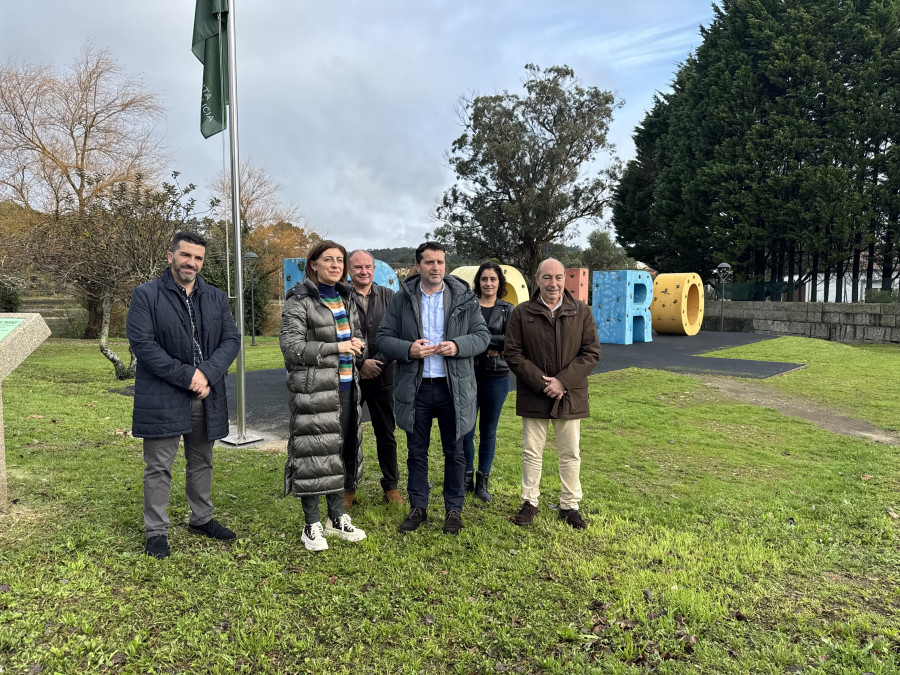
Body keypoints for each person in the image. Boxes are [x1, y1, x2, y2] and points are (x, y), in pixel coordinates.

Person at [127, 231, 241, 559]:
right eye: (186, 255)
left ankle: (201, 518)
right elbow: (144, 345)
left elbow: (231, 340)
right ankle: (156, 531)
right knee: (159, 465)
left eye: (198, 258)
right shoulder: (145, 295)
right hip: (162, 393)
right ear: (171, 256)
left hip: (206, 394)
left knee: (202, 460)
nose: (191, 262)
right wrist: (188, 375)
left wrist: (206, 374)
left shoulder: (217, 298)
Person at [376, 242, 490, 535]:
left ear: (445, 265)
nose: (435, 267)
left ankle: (454, 510)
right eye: (429, 262)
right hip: (417, 388)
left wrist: (458, 345)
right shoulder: (402, 299)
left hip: (455, 388)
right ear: (418, 266)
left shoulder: (464, 298)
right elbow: (384, 338)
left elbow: (482, 336)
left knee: (455, 452)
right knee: (417, 451)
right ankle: (419, 508)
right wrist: (408, 350)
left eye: (440, 262)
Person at [281, 240, 368, 552]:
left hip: (346, 388)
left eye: (339, 260)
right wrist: (337, 348)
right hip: (313, 391)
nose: (336, 265)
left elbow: (359, 338)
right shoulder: (299, 301)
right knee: (312, 456)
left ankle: (337, 517)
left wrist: (358, 346)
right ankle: (311, 524)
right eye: (328, 260)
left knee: (338, 453)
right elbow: (291, 349)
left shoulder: (347, 299)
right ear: (313, 264)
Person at [504, 258, 601, 529]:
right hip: (534, 392)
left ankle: (569, 505)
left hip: (570, 394)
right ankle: (529, 502)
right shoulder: (522, 312)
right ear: (537, 279)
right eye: (547, 277)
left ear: (564, 280)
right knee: (531, 451)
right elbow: (513, 353)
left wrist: (562, 382)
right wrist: (542, 382)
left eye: (558, 277)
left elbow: (591, 352)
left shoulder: (581, 311)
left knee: (570, 452)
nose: (553, 283)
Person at [347, 249, 403, 505]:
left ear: (374, 268)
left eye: (368, 266)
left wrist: (376, 363)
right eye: (358, 267)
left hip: (382, 376)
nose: (364, 271)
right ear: (350, 270)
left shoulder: (389, 296)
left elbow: (396, 335)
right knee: (347, 433)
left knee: (386, 433)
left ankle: (391, 486)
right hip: (349, 377)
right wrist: (360, 364)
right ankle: (348, 488)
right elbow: (334, 336)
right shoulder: (340, 297)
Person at [462, 261, 513, 502]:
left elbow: (511, 340)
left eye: (493, 279)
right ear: (478, 282)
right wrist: (489, 346)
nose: (488, 283)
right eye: (484, 279)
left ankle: (483, 479)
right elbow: (462, 337)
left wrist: (479, 343)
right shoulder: (467, 306)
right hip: (468, 375)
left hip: (497, 377)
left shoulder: (508, 310)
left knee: (488, 431)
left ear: (499, 282)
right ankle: (466, 476)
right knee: (467, 429)